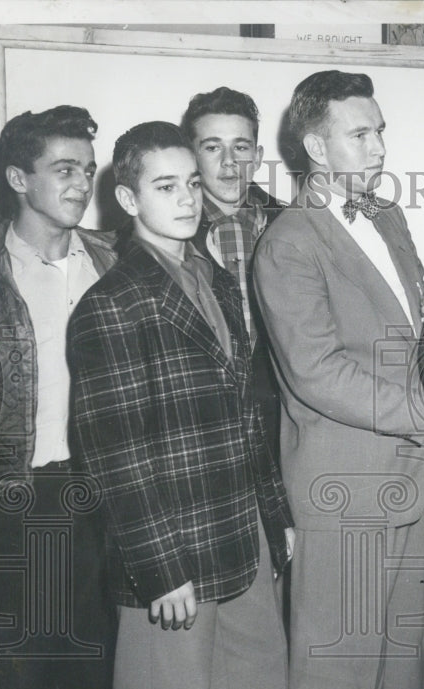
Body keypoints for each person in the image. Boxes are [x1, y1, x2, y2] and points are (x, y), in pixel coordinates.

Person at [252, 70, 424, 689]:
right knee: (338, 674)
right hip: (344, 486)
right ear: (316, 149)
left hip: (412, 475)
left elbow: (402, 333)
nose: (380, 146)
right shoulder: (288, 242)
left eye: (381, 131)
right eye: (361, 134)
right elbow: (316, 371)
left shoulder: (388, 216)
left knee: (401, 666)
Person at [67, 121, 293, 689]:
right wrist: (159, 569)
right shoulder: (111, 304)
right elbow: (115, 456)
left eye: (192, 183)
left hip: (244, 531)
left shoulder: (215, 277)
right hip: (171, 550)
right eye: (166, 186)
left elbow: (247, 411)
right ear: (128, 199)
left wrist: (276, 516)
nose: (189, 198)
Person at [0, 105, 117, 689]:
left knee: (90, 686)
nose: (81, 184)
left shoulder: (115, 261)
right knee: (10, 686)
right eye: (64, 169)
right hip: (10, 496)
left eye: (87, 170)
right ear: (17, 178)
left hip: (99, 496)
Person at [181, 86, 284, 454]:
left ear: (257, 157)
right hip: (201, 430)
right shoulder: (164, 235)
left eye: (240, 147)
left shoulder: (296, 226)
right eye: (212, 147)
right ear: (191, 155)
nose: (228, 162)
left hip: (281, 427)